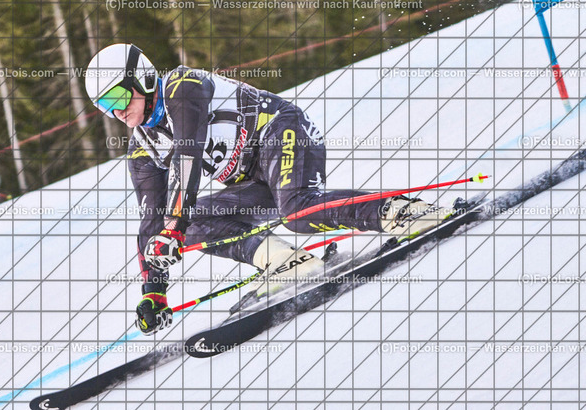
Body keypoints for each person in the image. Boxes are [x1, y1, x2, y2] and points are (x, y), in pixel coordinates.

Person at [85, 43, 455, 335]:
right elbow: (151, 221)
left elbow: (188, 156)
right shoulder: (142, 149)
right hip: (252, 180)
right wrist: (153, 291)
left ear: (143, 80)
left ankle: (402, 212)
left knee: (296, 211)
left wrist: (172, 227)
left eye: (118, 98)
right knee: (192, 224)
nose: (116, 113)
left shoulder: (182, 87)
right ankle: (284, 262)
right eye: (105, 107)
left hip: (282, 132)